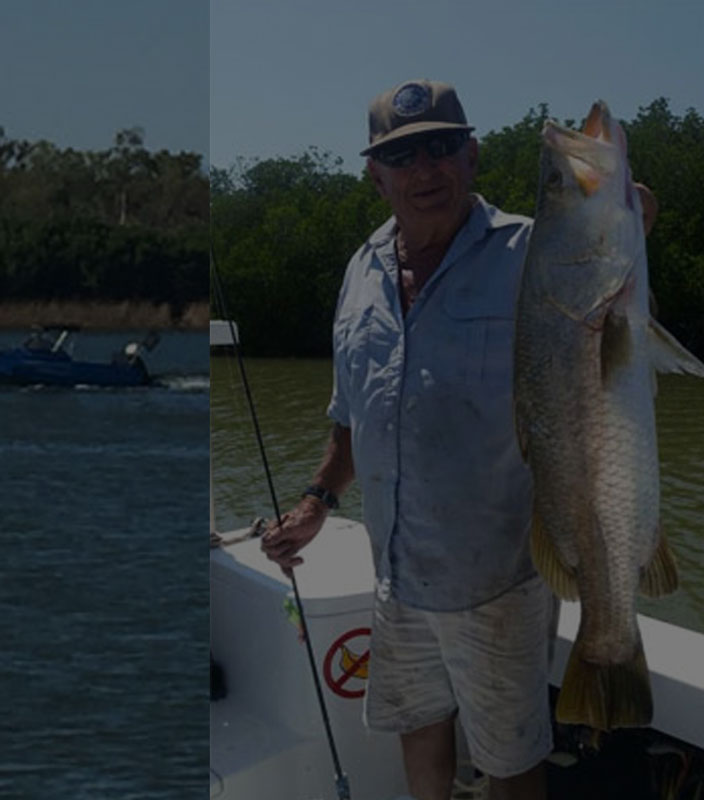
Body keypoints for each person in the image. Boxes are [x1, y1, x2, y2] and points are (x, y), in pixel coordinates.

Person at [260, 80, 656, 800]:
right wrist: (319, 499)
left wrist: (624, 213)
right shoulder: (360, 272)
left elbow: (610, 270)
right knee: (421, 728)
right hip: (397, 575)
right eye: (402, 155)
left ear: (471, 156)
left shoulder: (533, 250)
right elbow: (354, 414)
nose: (424, 169)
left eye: (440, 147)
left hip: (497, 580)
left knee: (510, 761)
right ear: (375, 175)